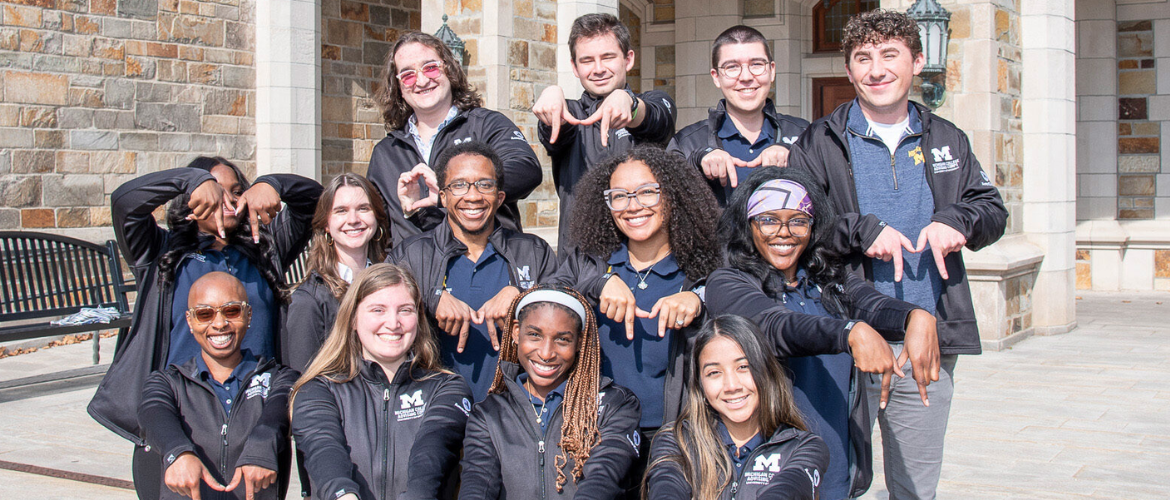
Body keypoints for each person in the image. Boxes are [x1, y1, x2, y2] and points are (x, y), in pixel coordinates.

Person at [787, 10, 1008, 499]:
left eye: (890, 55)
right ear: (849, 71)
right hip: (845, 339)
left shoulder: (947, 138)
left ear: (917, 62)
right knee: (833, 481)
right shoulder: (819, 142)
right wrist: (860, 230)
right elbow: (796, 227)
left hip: (926, 343)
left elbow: (990, 209)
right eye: (863, 58)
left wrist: (959, 222)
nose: (876, 69)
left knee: (914, 488)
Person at [88, 156, 321, 499]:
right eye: (214, 191)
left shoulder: (265, 248)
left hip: (254, 424)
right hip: (175, 424)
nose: (226, 200)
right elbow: (125, 201)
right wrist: (189, 179)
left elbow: (316, 201)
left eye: (236, 191)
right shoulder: (161, 252)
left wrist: (273, 184)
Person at [706, 166, 941, 499]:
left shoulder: (827, 280)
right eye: (769, 219)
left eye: (798, 220)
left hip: (834, 466)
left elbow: (872, 304)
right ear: (748, 226)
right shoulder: (728, 283)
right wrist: (849, 332)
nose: (784, 232)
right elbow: (774, 326)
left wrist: (916, 317)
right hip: (769, 471)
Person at [550, 145, 720, 487]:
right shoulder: (590, 262)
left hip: (678, 439)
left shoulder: (703, 270)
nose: (633, 206)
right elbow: (544, 302)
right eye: (619, 196)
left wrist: (699, 300)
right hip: (598, 435)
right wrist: (599, 284)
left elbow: (742, 306)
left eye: (647, 192)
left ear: (672, 196)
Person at [389, 140, 558, 401]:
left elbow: (569, 315)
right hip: (434, 412)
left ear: (499, 197)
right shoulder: (411, 255)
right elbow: (374, 310)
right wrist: (430, 297)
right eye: (459, 185)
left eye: (485, 184)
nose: (473, 196)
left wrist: (524, 297)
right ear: (442, 197)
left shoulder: (534, 252)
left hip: (513, 414)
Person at [290, 263, 472, 500]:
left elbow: (432, 451)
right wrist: (343, 495)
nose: (393, 323)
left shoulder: (448, 388)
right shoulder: (318, 390)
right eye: (378, 310)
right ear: (353, 318)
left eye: (405, 310)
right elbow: (324, 450)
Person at [459, 286, 642, 499]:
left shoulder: (614, 405)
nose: (546, 353)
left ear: (580, 342)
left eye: (562, 339)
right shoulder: (489, 414)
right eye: (535, 335)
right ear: (517, 332)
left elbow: (603, 479)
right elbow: (477, 487)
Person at [369, 31, 542, 246]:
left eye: (430, 67)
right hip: (416, 273)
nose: (421, 81)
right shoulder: (386, 152)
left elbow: (526, 170)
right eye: (408, 75)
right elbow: (378, 227)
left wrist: (451, 189)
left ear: (449, 69)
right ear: (398, 87)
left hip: (489, 265)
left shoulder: (486, 125)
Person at [140, 272, 298, 500]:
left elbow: (280, 406)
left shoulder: (278, 378)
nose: (220, 323)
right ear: (190, 321)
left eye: (231, 311)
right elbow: (152, 412)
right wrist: (176, 452)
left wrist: (263, 442)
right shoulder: (168, 382)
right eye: (205, 314)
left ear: (248, 314)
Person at [644, 315, 830, 499]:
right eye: (714, 372)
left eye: (743, 367)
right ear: (699, 384)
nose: (732, 386)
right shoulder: (676, 441)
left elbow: (788, 488)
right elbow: (666, 486)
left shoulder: (804, 446)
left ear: (766, 370)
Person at [532, 13, 677, 245]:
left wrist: (628, 103)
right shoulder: (570, 113)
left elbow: (657, 120)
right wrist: (551, 97)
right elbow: (555, 133)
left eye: (608, 57)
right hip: (580, 260)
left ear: (628, 59)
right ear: (575, 67)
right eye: (587, 60)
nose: (598, 69)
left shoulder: (655, 102)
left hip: (644, 255)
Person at [666, 25, 809, 205]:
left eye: (756, 64)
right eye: (732, 67)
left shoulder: (805, 134)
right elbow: (669, 209)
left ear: (772, 71)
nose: (746, 76)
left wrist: (795, 156)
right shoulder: (687, 143)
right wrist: (697, 162)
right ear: (716, 77)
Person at [285, 173, 390, 372]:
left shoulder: (391, 283)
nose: (353, 220)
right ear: (326, 223)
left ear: (376, 216)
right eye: (341, 211)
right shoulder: (309, 300)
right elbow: (303, 379)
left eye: (363, 209)